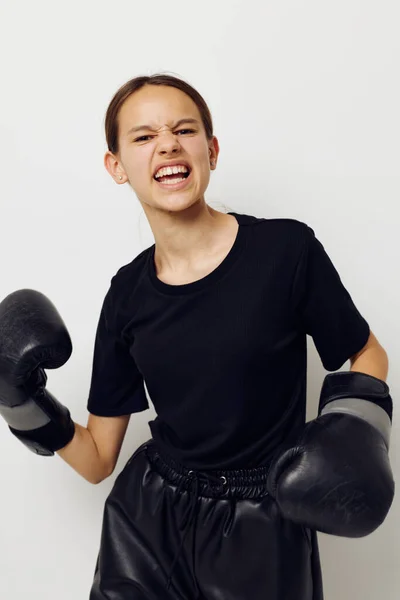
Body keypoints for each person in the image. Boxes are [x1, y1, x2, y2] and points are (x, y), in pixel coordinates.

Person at [0, 74, 395, 600]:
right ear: (116, 166)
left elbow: (366, 352)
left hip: (262, 521)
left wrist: (353, 434)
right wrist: (18, 401)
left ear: (209, 150)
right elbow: (97, 458)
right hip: (146, 517)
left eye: (183, 129)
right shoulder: (127, 294)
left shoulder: (285, 251)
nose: (167, 143)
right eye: (143, 137)